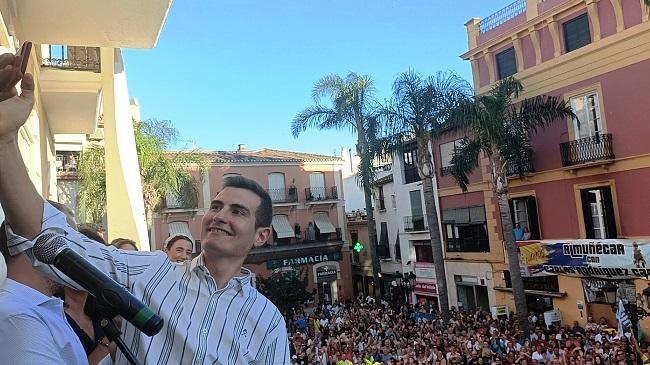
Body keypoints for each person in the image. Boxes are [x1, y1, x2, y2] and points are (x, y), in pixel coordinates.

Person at [0, 68, 289, 363]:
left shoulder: (267, 322)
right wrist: (6, 141)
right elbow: (52, 242)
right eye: (216, 206)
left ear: (262, 234)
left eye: (237, 211)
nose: (219, 216)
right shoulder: (150, 271)